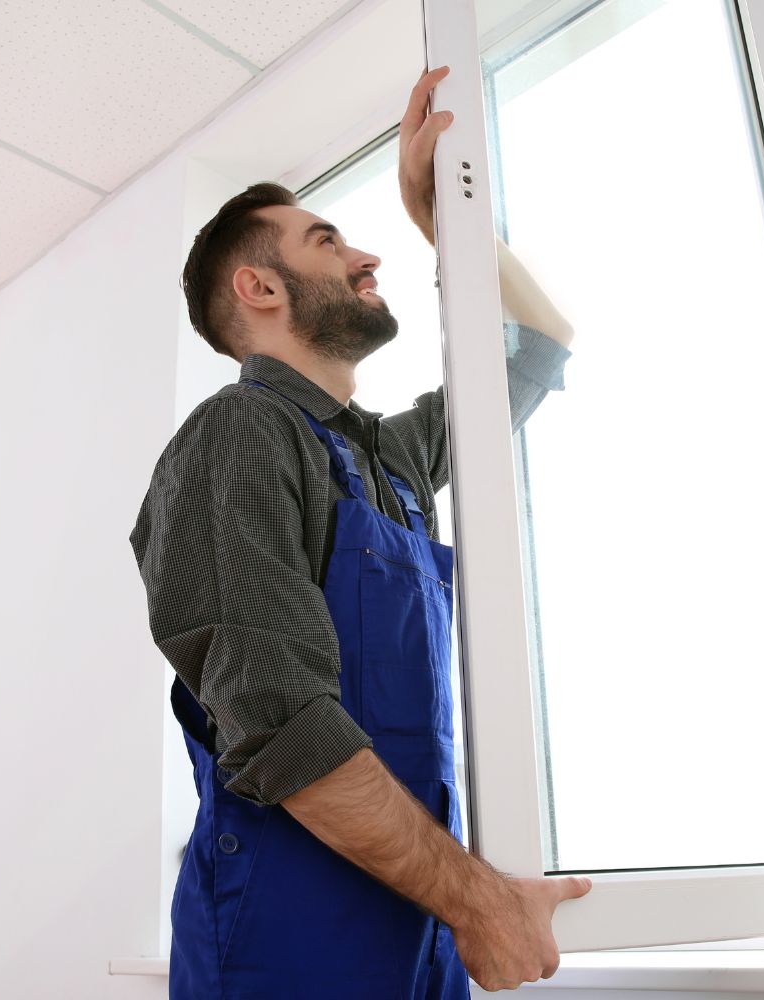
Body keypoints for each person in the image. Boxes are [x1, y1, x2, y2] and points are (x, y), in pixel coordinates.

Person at [128, 66, 591, 999]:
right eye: (327, 240)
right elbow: (284, 721)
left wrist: (444, 224)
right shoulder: (242, 435)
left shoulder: (393, 463)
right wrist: (480, 904)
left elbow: (540, 347)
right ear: (257, 286)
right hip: (291, 949)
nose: (366, 257)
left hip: (418, 929)